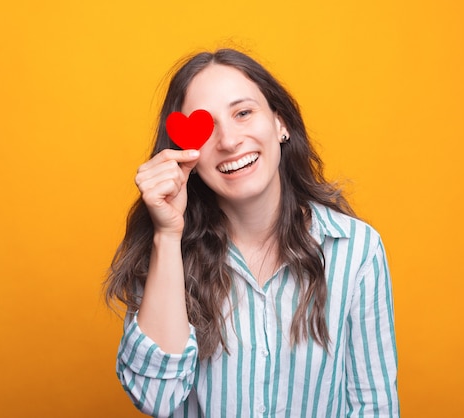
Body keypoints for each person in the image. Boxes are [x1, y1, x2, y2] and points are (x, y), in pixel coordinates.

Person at [105, 48, 399, 417]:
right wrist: (166, 234)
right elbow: (154, 399)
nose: (228, 141)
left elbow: (374, 407)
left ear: (281, 124)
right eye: (205, 127)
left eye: (243, 113)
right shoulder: (166, 254)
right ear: (186, 154)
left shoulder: (356, 251)